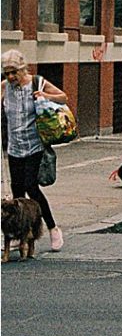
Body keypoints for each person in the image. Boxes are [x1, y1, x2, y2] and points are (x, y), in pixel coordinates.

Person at [1, 49, 68, 251]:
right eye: (7, 73)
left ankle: (53, 228)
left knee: (32, 187)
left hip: (35, 145)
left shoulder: (37, 82)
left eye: (14, 72)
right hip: (14, 146)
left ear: (22, 69)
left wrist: (44, 95)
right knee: (17, 191)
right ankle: (20, 235)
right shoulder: (5, 87)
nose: (11, 77)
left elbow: (63, 97)